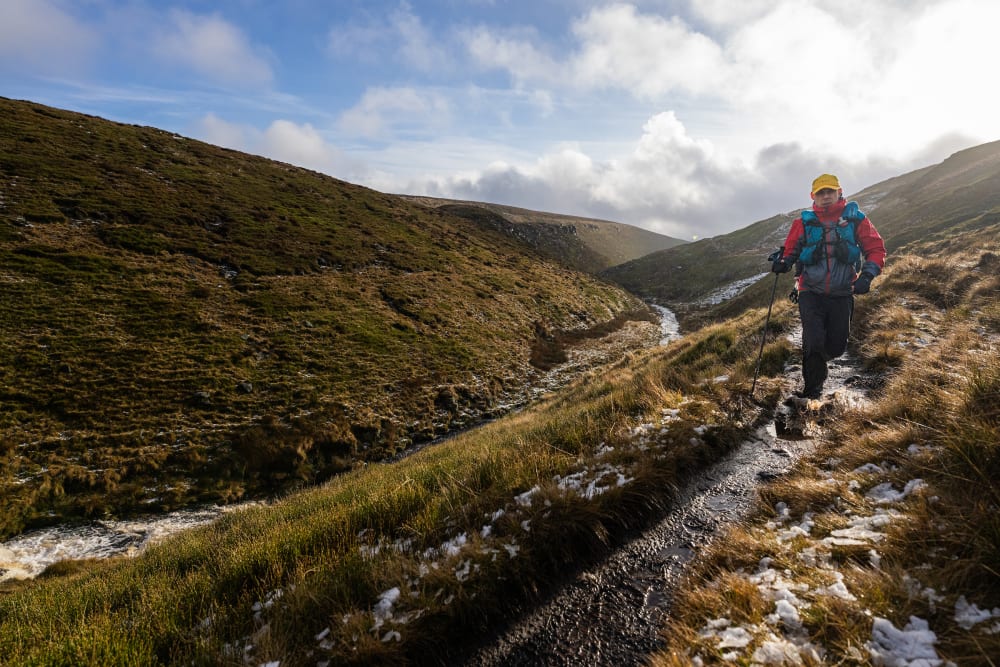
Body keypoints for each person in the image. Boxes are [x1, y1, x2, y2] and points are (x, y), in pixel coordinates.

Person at [771, 173, 886, 400]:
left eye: (830, 192)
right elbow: (791, 249)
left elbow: (876, 249)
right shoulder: (802, 222)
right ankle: (812, 392)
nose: (825, 197)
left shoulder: (856, 220)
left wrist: (867, 275)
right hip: (809, 292)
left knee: (836, 347)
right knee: (813, 341)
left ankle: (819, 364)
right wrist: (783, 262)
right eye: (821, 193)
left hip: (843, 292)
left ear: (839, 192)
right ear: (813, 196)